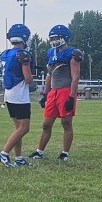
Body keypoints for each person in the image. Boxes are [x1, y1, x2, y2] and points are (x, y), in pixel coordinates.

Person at [30, 24, 83, 162]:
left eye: (56, 38)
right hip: (53, 91)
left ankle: (65, 153)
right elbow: (49, 75)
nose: (54, 40)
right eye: (52, 38)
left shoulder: (72, 53)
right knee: (46, 124)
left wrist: (71, 96)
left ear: (64, 37)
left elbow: (75, 76)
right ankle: (39, 152)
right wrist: (45, 94)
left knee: (66, 123)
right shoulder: (50, 53)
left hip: (65, 90)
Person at [0, 24, 33, 168]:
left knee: (18, 127)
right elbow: (28, 78)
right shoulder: (22, 54)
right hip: (19, 94)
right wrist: (32, 82)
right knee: (24, 128)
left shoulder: (6, 53)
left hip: (9, 94)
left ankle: (18, 158)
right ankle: (3, 153)